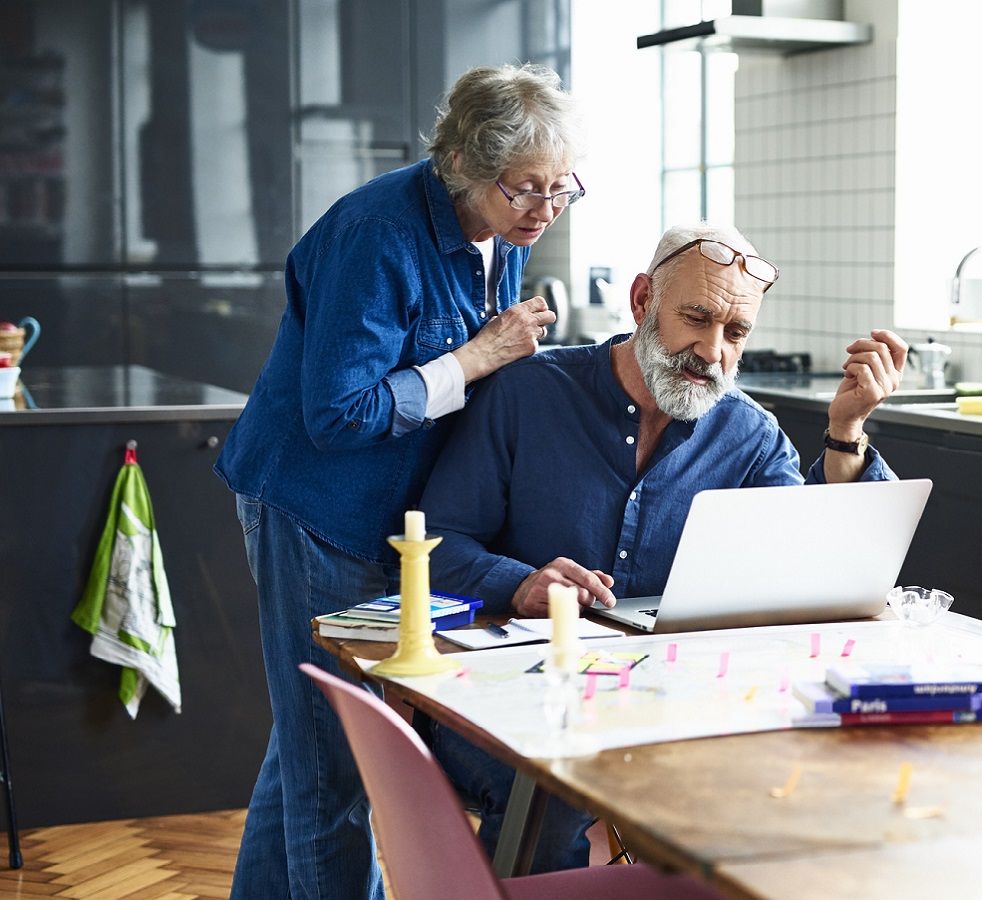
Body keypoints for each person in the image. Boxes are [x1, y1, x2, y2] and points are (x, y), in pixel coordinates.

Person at [418, 222, 908, 867]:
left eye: (735, 334)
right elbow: (433, 543)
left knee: (790, 779)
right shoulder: (527, 392)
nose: (712, 352)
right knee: (551, 788)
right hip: (515, 695)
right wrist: (518, 581)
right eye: (697, 319)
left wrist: (846, 428)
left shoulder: (748, 434)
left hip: (674, 701)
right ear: (643, 299)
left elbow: (819, 565)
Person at [213, 63, 583, 899]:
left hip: (387, 516)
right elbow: (338, 413)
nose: (546, 210)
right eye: (527, 191)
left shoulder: (504, 229)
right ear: (462, 164)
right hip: (316, 509)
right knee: (334, 762)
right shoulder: (377, 234)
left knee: (313, 743)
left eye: (563, 190)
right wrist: (480, 355)